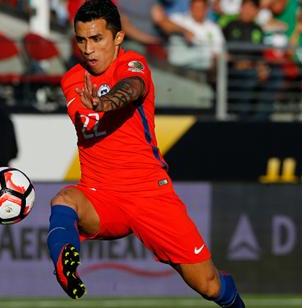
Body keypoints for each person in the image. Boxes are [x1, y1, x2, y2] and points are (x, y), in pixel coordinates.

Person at [46, 1, 245, 307]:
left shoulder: (133, 64)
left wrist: (105, 103)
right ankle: (64, 266)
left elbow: (134, 87)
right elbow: (86, 109)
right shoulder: (72, 79)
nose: (88, 49)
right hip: (101, 196)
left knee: (208, 285)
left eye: (96, 39)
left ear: (118, 38)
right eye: (81, 40)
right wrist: (98, 104)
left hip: (149, 194)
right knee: (63, 200)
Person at [223, 0, 282, 120]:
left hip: (253, 68)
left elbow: (260, 55)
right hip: (234, 69)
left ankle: (262, 118)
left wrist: (262, 68)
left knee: (275, 73)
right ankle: (243, 118)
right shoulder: (229, 26)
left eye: (253, 8)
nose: (249, 11)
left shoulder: (258, 29)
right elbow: (223, 52)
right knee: (250, 76)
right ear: (241, 8)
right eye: (247, 7)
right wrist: (236, 62)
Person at [162, 0, 225, 72]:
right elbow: (164, 24)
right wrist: (184, 31)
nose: (197, 11)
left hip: (203, 71)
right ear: (190, 8)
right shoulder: (179, 19)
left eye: (200, 8)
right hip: (178, 69)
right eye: (195, 8)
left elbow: (218, 52)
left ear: (206, 9)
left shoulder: (214, 28)